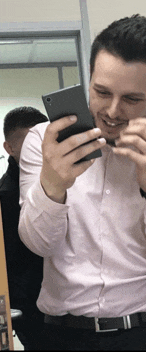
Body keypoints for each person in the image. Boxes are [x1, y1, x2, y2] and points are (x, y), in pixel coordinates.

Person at [18, 15, 146, 351]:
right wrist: (52, 184)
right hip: (62, 335)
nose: (112, 111)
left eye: (132, 99)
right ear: (89, 78)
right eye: (101, 92)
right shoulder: (43, 141)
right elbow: (39, 245)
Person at [0, 106, 48, 350]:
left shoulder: (70, 179)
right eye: (30, 142)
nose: (39, 149)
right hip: (31, 308)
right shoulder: (4, 195)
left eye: (43, 140)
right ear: (9, 148)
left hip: (76, 305)